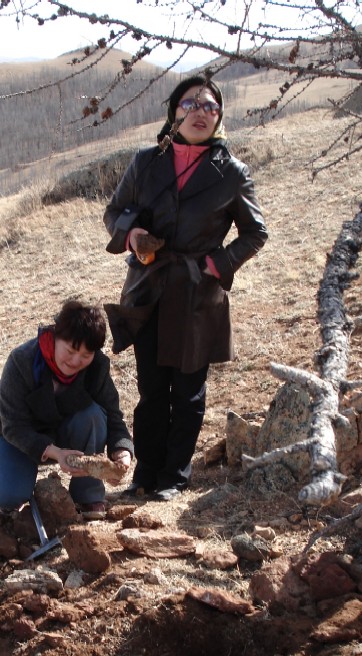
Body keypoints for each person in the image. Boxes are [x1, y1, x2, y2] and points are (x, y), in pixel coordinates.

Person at [104, 76, 268, 501]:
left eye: (210, 106)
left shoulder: (231, 173)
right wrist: (133, 233)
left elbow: (255, 232)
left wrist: (219, 263)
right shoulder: (146, 162)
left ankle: (175, 476)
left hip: (198, 291)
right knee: (151, 388)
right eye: (191, 103)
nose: (200, 111)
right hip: (148, 286)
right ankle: (147, 473)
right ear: (174, 112)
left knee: (188, 390)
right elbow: (114, 211)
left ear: (219, 118)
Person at [0, 300, 133, 518]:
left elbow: (112, 415)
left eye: (85, 355)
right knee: (8, 494)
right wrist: (56, 453)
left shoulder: (97, 366)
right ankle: (14, 487)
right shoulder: (22, 361)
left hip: (64, 430)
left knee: (93, 416)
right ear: (55, 337)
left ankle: (88, 496)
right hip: (14, 437)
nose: (76, 361)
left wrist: (122, 451)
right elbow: (14, 427)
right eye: (71, 350)